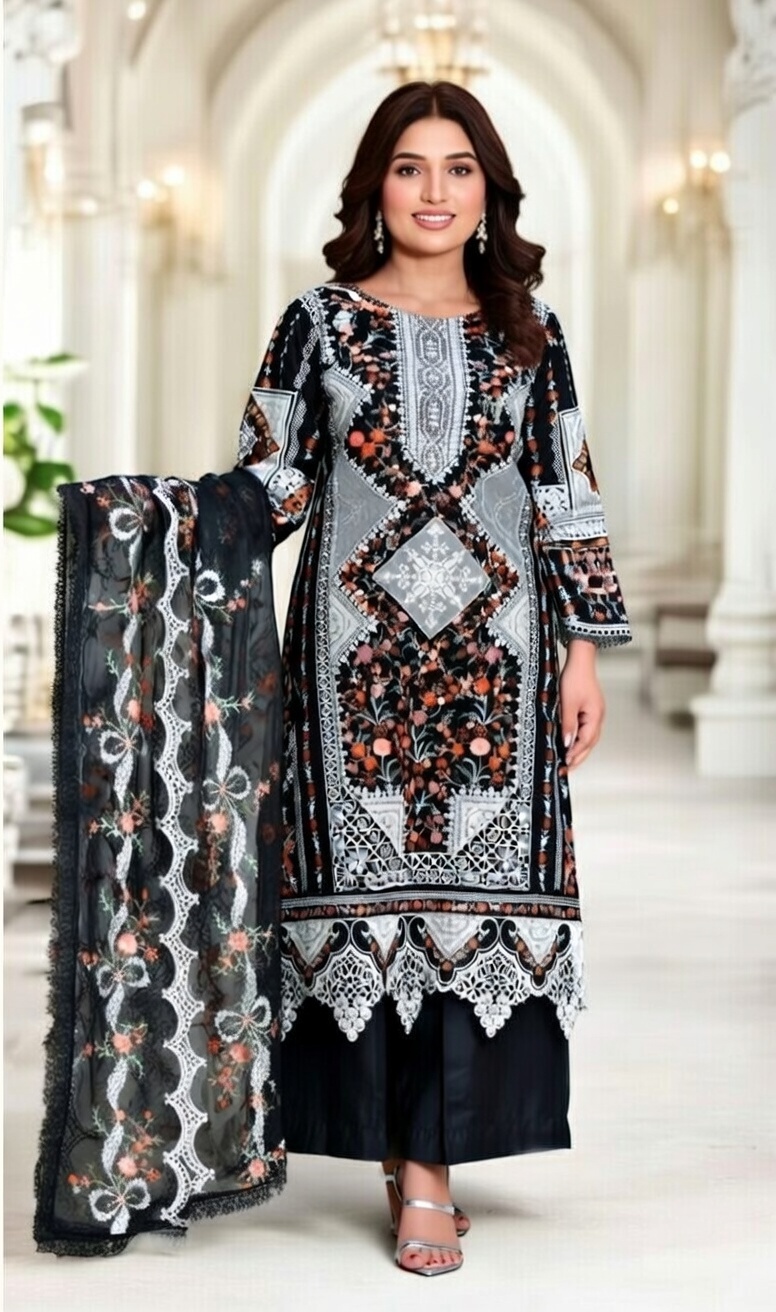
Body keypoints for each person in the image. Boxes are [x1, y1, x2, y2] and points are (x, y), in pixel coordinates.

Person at [237, 79, 631, 1277]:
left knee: (469, 900)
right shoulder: (317, 322)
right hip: (349, 666)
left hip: (494, 667)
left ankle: (430, 1168)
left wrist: (579, 650)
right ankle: (402, 1154)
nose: (433, 191)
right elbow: (271, 478)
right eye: (409, 167)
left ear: (487, 191)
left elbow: (565, 492)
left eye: (458, 169)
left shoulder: (529, 329)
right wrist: (161, 519)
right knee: (365, 898)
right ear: (375, 186)